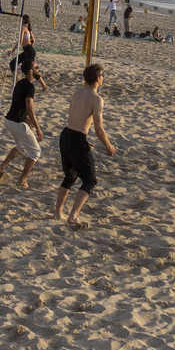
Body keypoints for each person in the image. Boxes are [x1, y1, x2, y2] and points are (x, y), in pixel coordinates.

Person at [54, 63, 116, 227]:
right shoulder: (97, 99)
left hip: (66, 135)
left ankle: (58, 212)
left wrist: (83, 137)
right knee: (90, 180)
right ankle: (73, 216)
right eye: (103, 75)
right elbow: (99, 128)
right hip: (76, 139)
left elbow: (75, 117)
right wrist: (108, 145)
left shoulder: (77, 92)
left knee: (71, 175)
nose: (103, 78)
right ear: (97, 78)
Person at [0, 67, 47, 187]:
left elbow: (18, 104)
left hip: (9, 121)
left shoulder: (20, 83)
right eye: (37, 68)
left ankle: (1, 167)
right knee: (36, 152)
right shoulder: (30, 86)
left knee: (21, 146)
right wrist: (38, 128)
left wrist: (27, 119)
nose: (39, 69)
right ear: (30, 71)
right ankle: (22, 180)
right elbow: (29, 107)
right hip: (18, 124)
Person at [11, 14, 38, 82]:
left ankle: (17, 81)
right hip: (29, 50)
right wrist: (28, 45)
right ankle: (17, 81)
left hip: (28, 51)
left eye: (21, 19)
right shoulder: (28, 28)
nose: (20, 20)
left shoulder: (23, 28)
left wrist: (12, 51)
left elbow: (20, 41)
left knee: (28, 69)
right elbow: (33, 40)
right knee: (14, 64)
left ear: (23, 20)